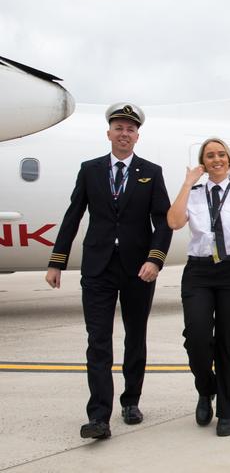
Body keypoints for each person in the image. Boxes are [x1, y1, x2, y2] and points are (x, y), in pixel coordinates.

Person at [45, 103, 173, 439]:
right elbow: (73, 215)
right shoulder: (90, 170)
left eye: (130, 129)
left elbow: (163, 221)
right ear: (109, 133)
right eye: (119, 128)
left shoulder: (151, 172)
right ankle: (99, 415)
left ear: (137, 136)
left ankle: (131, 401)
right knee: (98, 340)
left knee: (135, 336)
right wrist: (57, 261)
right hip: (98, 267)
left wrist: (155, 259)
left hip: (138, 270)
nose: (124, 134)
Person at [167, 137, 230, 437]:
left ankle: (227, 411)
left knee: (228, 341)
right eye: (210, 156)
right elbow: (174, 222)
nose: (216, 159)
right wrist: (186, 184)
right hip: (199, 271)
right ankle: (206, 390)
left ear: (229, 160)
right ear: (203, 162)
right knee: (196, 337)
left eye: (221, 154)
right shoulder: (193, 194)